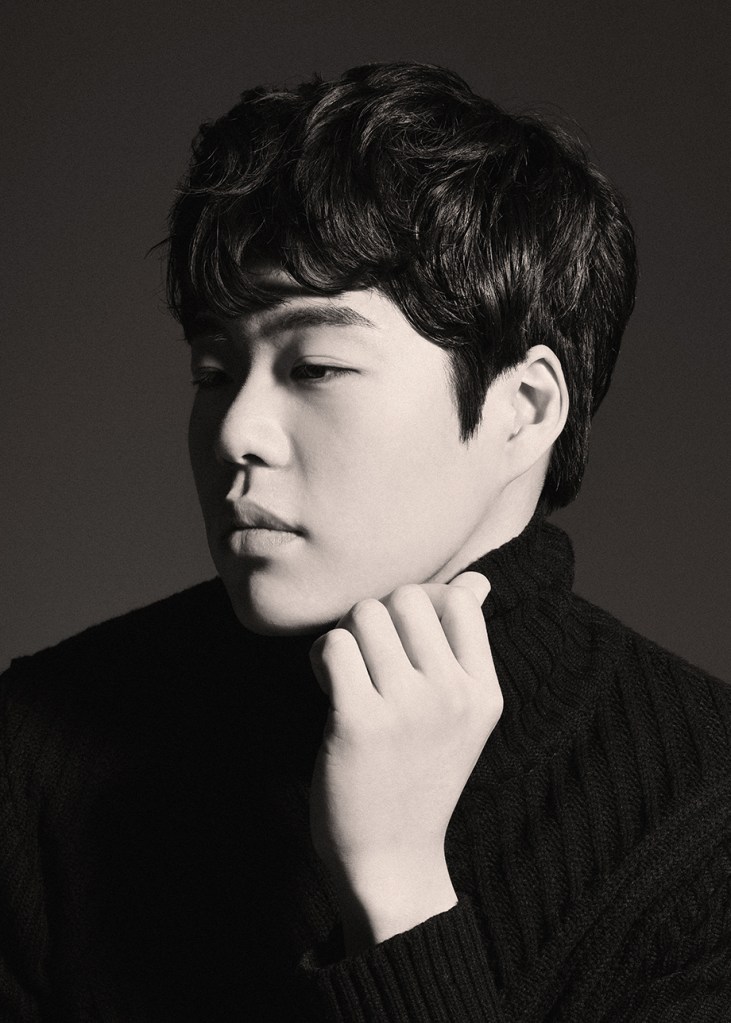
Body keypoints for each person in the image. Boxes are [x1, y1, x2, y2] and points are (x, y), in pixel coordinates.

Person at [1, 61, 729, 1022]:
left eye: (316, 366)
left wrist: (395, 885)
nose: (235, 431)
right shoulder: (39, 740)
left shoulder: (702, 809)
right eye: (213, 371)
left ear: (523, 407)